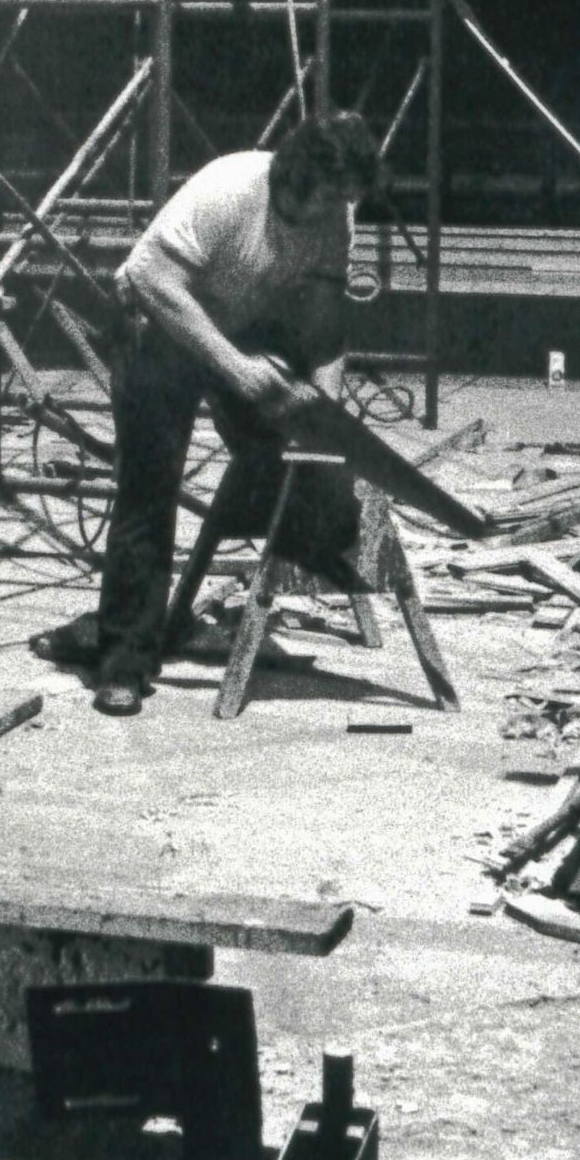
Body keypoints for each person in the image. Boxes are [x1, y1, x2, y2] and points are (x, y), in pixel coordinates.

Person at [83, 112, 381, 715]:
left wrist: (321, 405)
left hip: (237, 323)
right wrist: (236, 370)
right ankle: (123, 662)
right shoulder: (229, 190)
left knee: (289, 452)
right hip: (160, 322)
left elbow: (324, 321)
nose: (340, 210)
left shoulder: (335, 217)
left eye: (348, 198)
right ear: (298, 178)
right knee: (150, 486)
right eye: (333, 196)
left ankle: (306, 539)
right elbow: (148, 276)